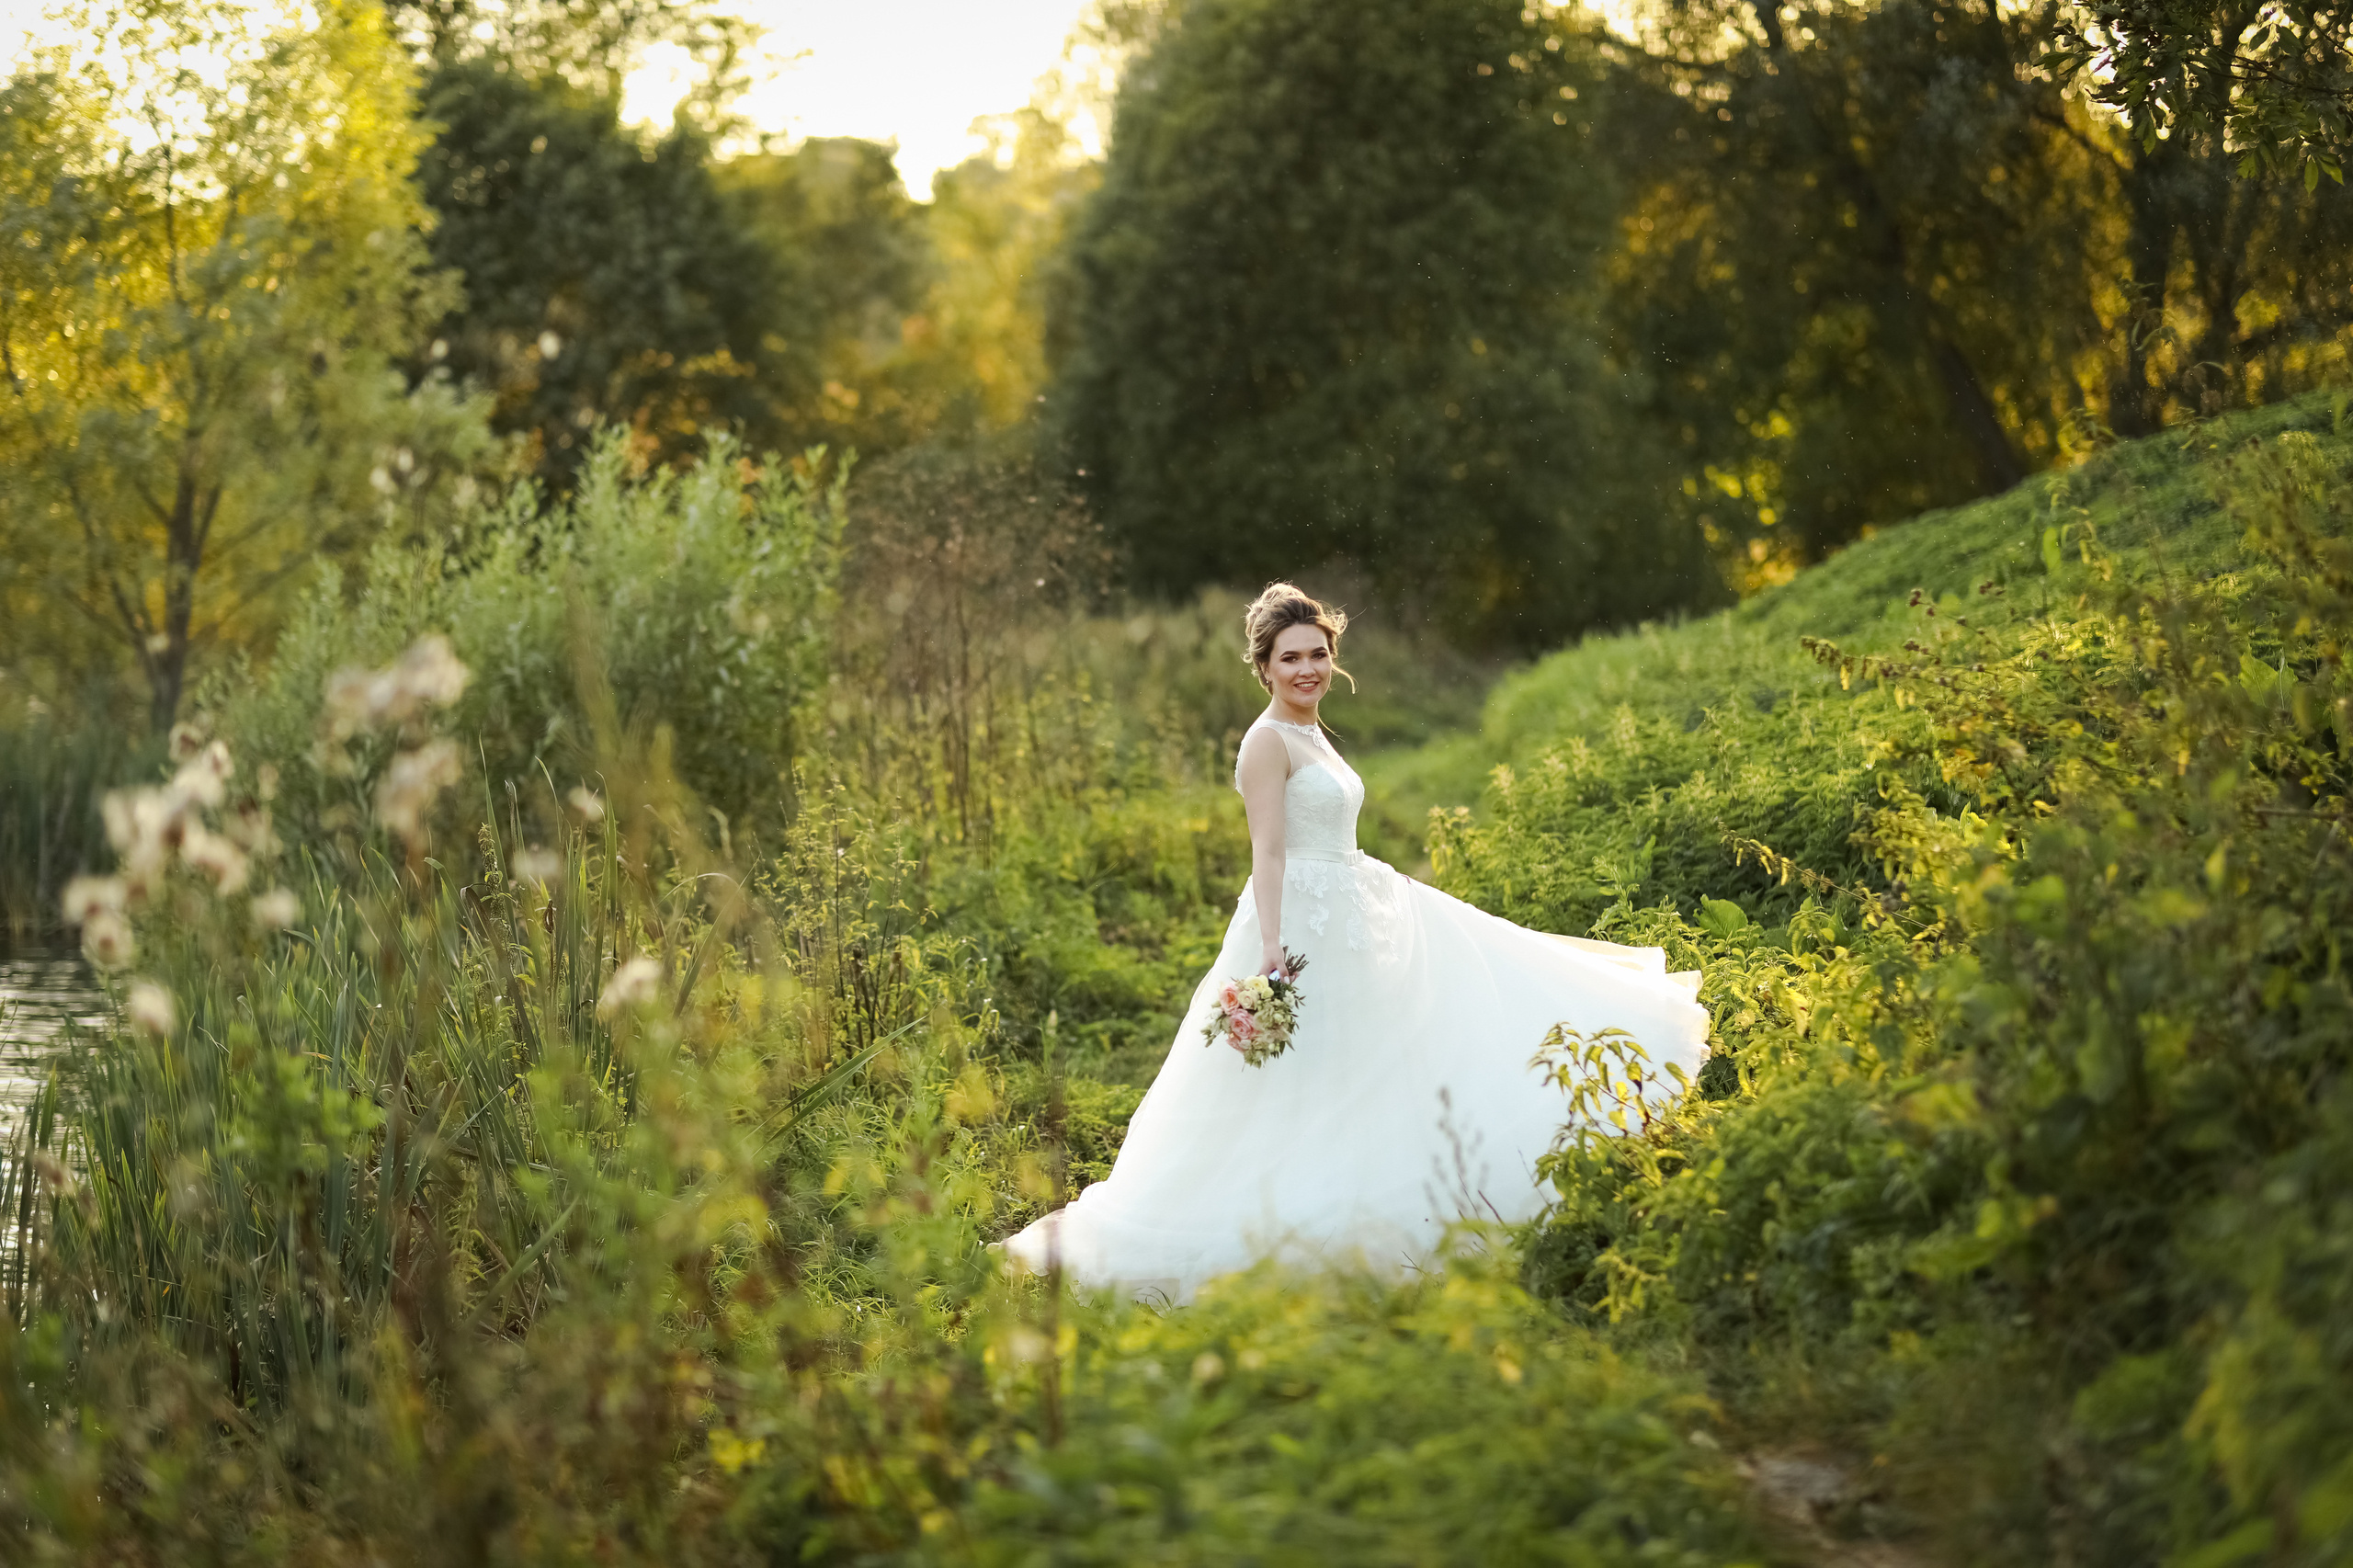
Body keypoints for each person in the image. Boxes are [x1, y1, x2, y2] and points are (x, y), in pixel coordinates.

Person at [998, 583, 1708, 1302]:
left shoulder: (1313, 734)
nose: (1307, 669)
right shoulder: (1265, 742)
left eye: (1319, 655)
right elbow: (1268, 853)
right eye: (1291, 658)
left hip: (1358, 906)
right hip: (1302, 924)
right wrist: (1272, 948)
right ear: (1265, 667)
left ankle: (1378, 1193)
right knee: (1306, 1077)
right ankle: (1285, 1219)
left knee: (1384, 1054)